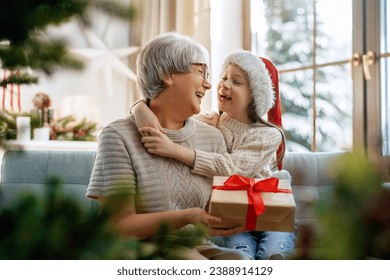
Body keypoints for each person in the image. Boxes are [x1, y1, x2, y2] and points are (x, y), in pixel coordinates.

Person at [86, 32, 250, 260]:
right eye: (200, 72)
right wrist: (187, 216)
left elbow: (217, 208)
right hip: (141, 250)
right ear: (167, 75)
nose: (209, 84)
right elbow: (118, 226)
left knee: (241, 262)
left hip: (197, 247)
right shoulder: (118, 136)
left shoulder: (212, 137)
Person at [133, 50, 297, 260]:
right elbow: (167, 114)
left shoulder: (268, 134)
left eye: (236, 82)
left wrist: (176, 151)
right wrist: (139, 107)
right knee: (241, 257)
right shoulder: (210, 123)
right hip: (234, 216)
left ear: (255, 95)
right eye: (224, 77)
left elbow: (232, 168)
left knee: (275, 255)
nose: (224, 84)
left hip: (272, 213)